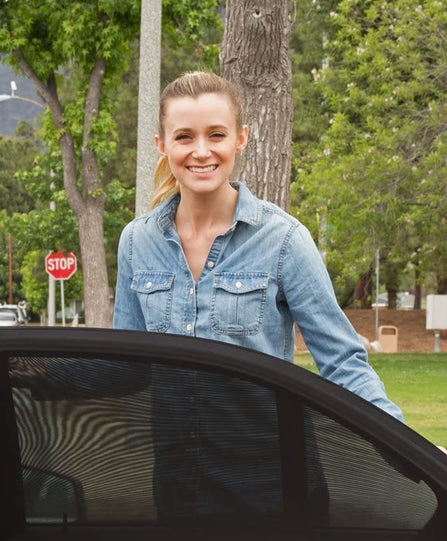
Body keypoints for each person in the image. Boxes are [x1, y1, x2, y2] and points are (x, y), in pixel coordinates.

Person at [113, 71, 403, 421]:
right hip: (174, 467)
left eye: (216, 135)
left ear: (240, 138)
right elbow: (125, 367)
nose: (201, 151)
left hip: (268, 466)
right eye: (184, 137)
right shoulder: (136, 241)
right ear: (162, 145)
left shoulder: (283, 240)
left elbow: (342, 361)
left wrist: (405, 452)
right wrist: (37, 372)